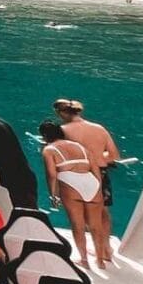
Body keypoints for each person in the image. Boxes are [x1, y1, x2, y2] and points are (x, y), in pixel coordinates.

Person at [40, 121, 108, 268]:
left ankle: (84, 260)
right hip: (91, 181)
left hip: (70, 183)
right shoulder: (80, 146)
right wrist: (97, 187)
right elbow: (95, 169)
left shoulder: (49, 150)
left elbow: (52, 175)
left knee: (78, 225)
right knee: (96, 225)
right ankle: (100, 261)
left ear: (45, 136)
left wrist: (53, 195)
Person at [57, 98, 122, 253]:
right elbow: (114, 155)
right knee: (103, 212)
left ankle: (84, 254)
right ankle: (106, 249)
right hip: (100, 172)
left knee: (80, 214)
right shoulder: (99, 128)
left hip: (77, 175)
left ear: (62, 113)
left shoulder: (62, 130)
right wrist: (98, 158)